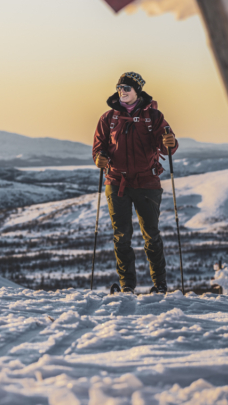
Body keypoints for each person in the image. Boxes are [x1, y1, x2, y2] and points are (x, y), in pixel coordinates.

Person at [92, 72, 178, 294]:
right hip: (116, 181)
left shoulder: (154, 117)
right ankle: (127, 286)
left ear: (137, 90)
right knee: (122, 236)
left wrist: (171, 142)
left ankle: (159, 285)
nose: (122, 91)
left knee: (151, 235)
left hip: (147, 182)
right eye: (120, 87)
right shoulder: (108, 118)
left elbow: (167, 146)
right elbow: (98, 147)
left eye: (127, 88)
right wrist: (99, 158)